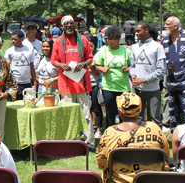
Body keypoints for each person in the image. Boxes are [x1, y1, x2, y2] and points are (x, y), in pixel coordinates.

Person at [97, 92, 170, 183]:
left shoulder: (110, 133)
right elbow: (165, 156)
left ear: (120, 112)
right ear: (139, 110)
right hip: (153, 180)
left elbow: (101, 163)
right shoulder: (154, 128)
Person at [51, 15, 95, 150]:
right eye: (66, 24)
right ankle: (72, 141)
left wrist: (83, 63)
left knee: (86, 113)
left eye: (71, 23)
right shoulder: (58, 41)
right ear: (62, 27)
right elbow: (54, 61)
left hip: (82, 83)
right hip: (66, 84)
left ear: (75, 24)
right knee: (69, 114)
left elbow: (90, 59)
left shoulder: (83, 39)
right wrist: (61, 65)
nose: (69, 25)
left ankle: (89, 142)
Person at [162, 16, 185, 131]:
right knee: (173, 110)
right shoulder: (165, 41)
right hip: (171, 83)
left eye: (168, 24)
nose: (165, 26)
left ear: (175, 26)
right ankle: (174, 131)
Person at [129, 21, 166, 127]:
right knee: (138, 116)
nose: (136, 33)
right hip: (137, 89)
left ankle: (156, 141)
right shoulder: (135, 47)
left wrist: (144, 79)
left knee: (155, 117)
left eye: (138, 31)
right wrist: (133, 76)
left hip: (152, 89)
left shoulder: (157, 47)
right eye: (135, 31)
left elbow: (161, 70)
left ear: (146, 30)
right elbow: (133, 66)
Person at [95, 25, 131, 128]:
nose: (110, 41)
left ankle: (123, 132)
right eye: (108, 39)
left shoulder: (126, 51)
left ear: (119, 39)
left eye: (113, 39)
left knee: (123, 111)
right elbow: (97, 65)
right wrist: (102, 69)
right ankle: (110, 132)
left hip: (123, 86)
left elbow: (133, 65)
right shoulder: (103, 51)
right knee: (110, 112)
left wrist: (128, 69)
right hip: (108, 87)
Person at [4, 30, 36, 100]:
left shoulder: (29, 50)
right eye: (12, 39)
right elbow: (6, 68)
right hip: (15, 84)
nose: (13, 41)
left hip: (27, 83)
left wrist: (34, 83)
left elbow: (32, 68)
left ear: (21, 39)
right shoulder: (9, 51)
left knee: (28, 103)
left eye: (15, 39)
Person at [86, 34, 103, 138]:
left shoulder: (98, 55)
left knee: (96, 107)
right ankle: (90, 126)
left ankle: (99, 128)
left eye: (91, 46)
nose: (89, 48)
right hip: (84, 85)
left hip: (95, 84)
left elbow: (97, 71)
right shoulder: (82, 55)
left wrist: (90, 69)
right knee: (87, 107)